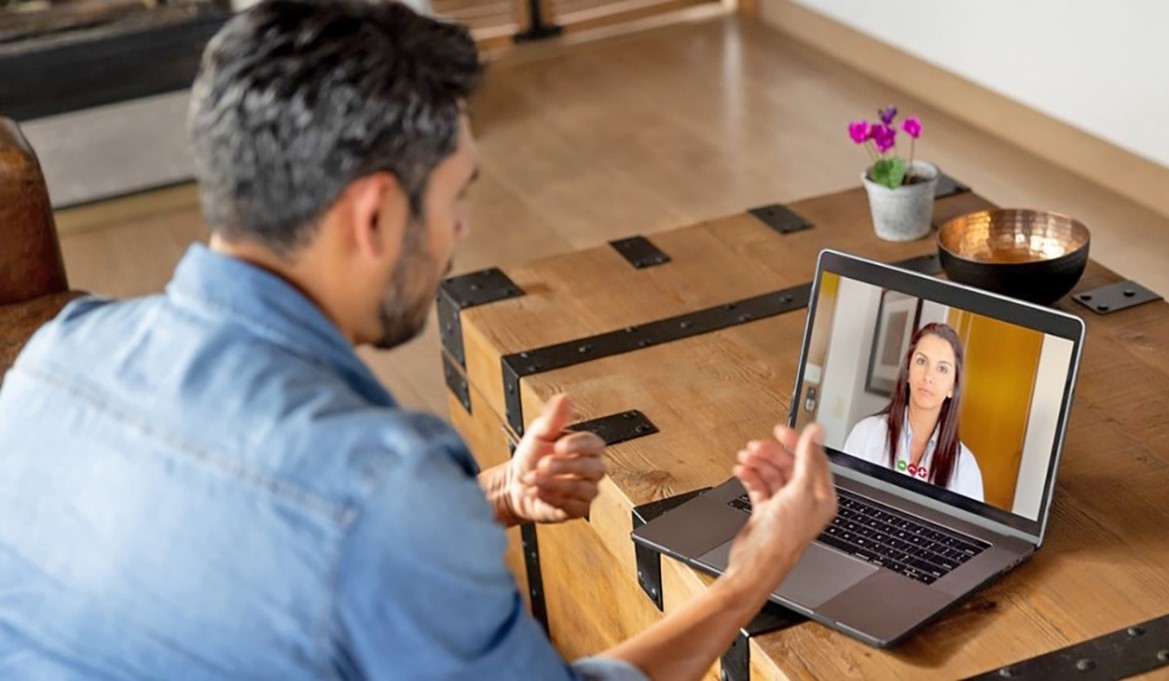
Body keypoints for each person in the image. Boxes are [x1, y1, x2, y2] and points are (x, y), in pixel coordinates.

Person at [0, 2, 837, 679]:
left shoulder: (50, 362)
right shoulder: (385, 484)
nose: (459, 228)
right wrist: (753, 572)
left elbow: (242, 549)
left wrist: (498, 495)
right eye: (452, 198)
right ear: (373, 215)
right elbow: (353, 518)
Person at [843, 323, 984, 501]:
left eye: (942, 369)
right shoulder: (866, 434)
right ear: (908, 371)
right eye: (921, 361)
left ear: (953, 387)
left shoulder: (965, 468)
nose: (928, 376)